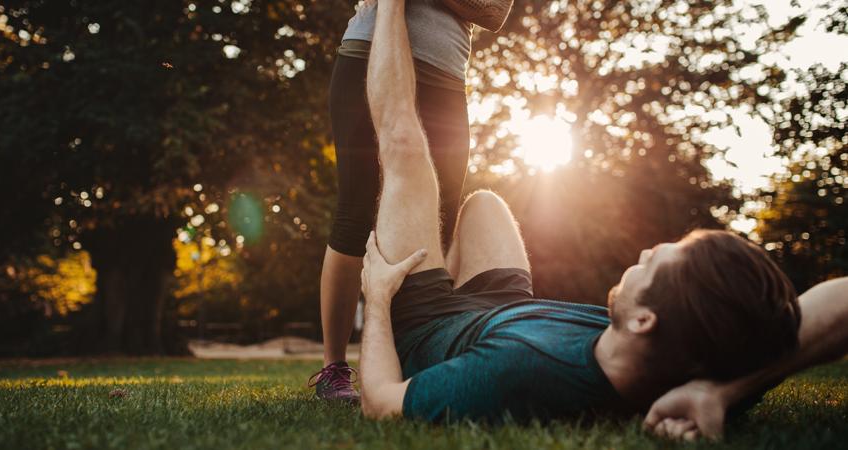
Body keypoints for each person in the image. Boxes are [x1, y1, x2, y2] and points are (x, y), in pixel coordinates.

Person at [356, 0, 848, 439]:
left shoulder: (518, 373)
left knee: (404, 144)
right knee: (485, 204)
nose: (647, 251)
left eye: (659, 262)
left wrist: (377, 300)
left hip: (433, 330)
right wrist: (725, 391)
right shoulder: (702, 360)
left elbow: (381, 405)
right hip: (503, 312)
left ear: (642, 319)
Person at [310, 0, 474, 401]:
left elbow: (494, 12)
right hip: (368, 51)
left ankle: (420, 355)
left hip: (445, 73)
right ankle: (334, 369)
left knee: (442, 218)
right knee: (356, 209)